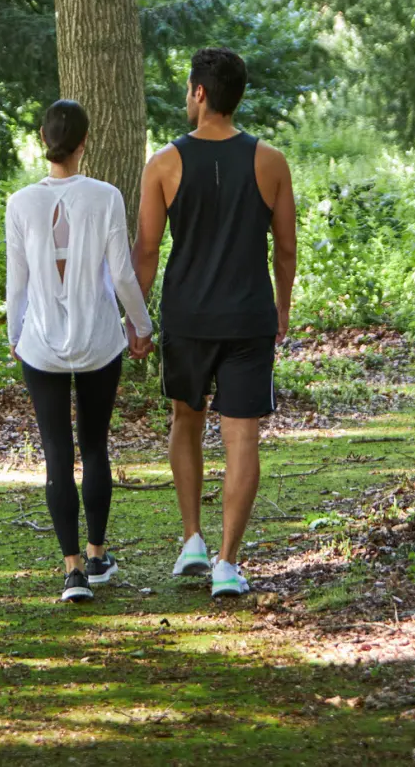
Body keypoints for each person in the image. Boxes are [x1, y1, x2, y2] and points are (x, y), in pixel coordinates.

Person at [134, 48, 297, 600]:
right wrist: (282, 306)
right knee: (243, 434)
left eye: (187, 90)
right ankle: (228, 561)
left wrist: (137, 320)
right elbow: (287, 249)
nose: (186, 98)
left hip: (187, 316)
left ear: (200, 93)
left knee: (186, 417)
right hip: (249, 314)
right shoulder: (272, 161)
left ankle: (192, 540)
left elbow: (148, 251)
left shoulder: (163, 164)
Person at [7, 99, 155, 603]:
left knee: (55, 451)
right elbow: (120, 273)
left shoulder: (20, 203)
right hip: (98, 340)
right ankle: (96, 556)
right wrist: (142, 325)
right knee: (94, 447)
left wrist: (14, 334)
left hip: (41, 345)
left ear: (41, 139)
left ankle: (71, 570)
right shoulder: (106, 196)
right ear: (84, 142)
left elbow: (17, 283)